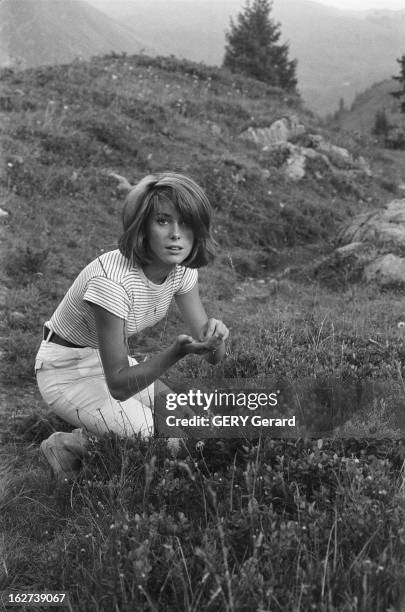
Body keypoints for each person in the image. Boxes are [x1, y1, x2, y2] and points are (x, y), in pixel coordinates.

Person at [35, 172, 229, 480]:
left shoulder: (180, 272)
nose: (176, 234)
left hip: (111, 362)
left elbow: (211, 355)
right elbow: (119, 385)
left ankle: (103, 431)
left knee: (192, 425)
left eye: (186, 222)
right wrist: (175, 353)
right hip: (66, 371)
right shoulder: (112, 282)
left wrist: (216, 340)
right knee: (163, 439)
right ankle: (68, 445)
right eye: (163, 221)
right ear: (143, 227)